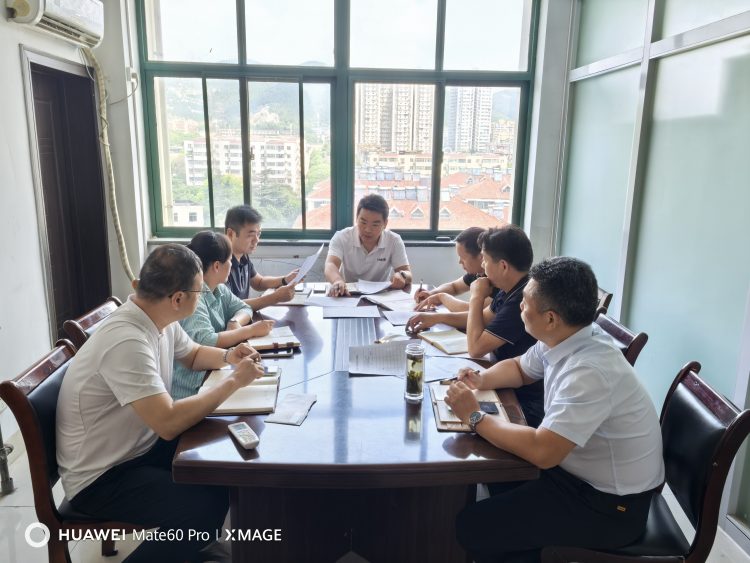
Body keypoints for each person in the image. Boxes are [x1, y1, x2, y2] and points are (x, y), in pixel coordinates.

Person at [445, 257, 664, 562]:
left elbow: (543, 452)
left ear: (550, 318)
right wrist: (480, 380)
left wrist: (475, 417)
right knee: (496, 478)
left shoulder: (589, 372)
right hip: (576, 475)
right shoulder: (567, 336)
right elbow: (520, 368)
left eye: (525, 303)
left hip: (610, 507)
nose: (520, 306)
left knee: (472, 527)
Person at [56, 244, 265, 563]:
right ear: (178, 298)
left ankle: (194, 549)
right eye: (199, 291)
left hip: (136, 448)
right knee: (203, 510)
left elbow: (193, 354)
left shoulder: (157, 316)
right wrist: (235, 381)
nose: (203, 297)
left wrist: (229, 357)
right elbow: (168, 423)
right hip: (101, 477)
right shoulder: (128, 340)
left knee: (220, 461)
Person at [409, 224, 542, 426]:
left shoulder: (520, 301)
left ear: (503, 266)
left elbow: (476, 348)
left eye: (485, 261)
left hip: (521, 399)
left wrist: (476, 296)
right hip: (502, 377)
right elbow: (482, 319)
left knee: (445, 410)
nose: (483, 268)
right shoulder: (510, 289)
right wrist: (437, 318)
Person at [172, 230, 274, 400]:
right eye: (229, 260)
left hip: (214, 373)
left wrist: (234, 321)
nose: (232, 265)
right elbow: (206, 340)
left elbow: (244, 308)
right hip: (193, 388)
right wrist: (249, 330)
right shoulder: (194, 296)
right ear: (217, 266)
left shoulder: (219, 289)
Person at [324, 194, 411, 296]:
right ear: (357, 218)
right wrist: (337, 280)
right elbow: (331, 264)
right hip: (348, 294)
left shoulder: (394, 240)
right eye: (363, 222)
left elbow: (408, 273)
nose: (368, 230)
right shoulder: (342, 237)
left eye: (375, 224)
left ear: (385, 223)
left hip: (380, 296)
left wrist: (402, 275)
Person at [225, 205, 299, 309]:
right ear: (230, 234)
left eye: (258, 234)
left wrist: (285, 279)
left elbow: (259, 282)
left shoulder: (243, 256)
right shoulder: (221, 264)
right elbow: (230, 307)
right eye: (251, 235)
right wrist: (275, 297)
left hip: (244, 317)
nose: (256, 240)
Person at [413, 227, 491, 313]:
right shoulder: (477, 273)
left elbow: (471, 311)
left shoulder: (497, 281)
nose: (459, 262)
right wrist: (431, 294)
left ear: (481, 256)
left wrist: (442, 298)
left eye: (463, 258)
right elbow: (454, 287)